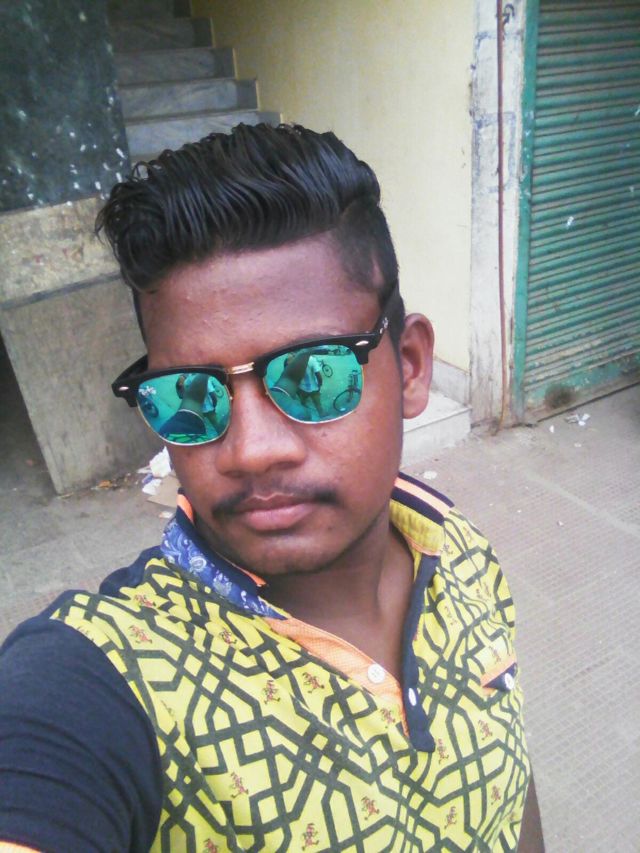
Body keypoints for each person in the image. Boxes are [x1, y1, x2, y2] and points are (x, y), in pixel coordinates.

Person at [0, 124, 543, 852]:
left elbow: (511, 781)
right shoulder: (104, 679)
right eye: (190, 394)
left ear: (411, 366)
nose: (251, 451)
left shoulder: (461, 550)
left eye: (313, 374)